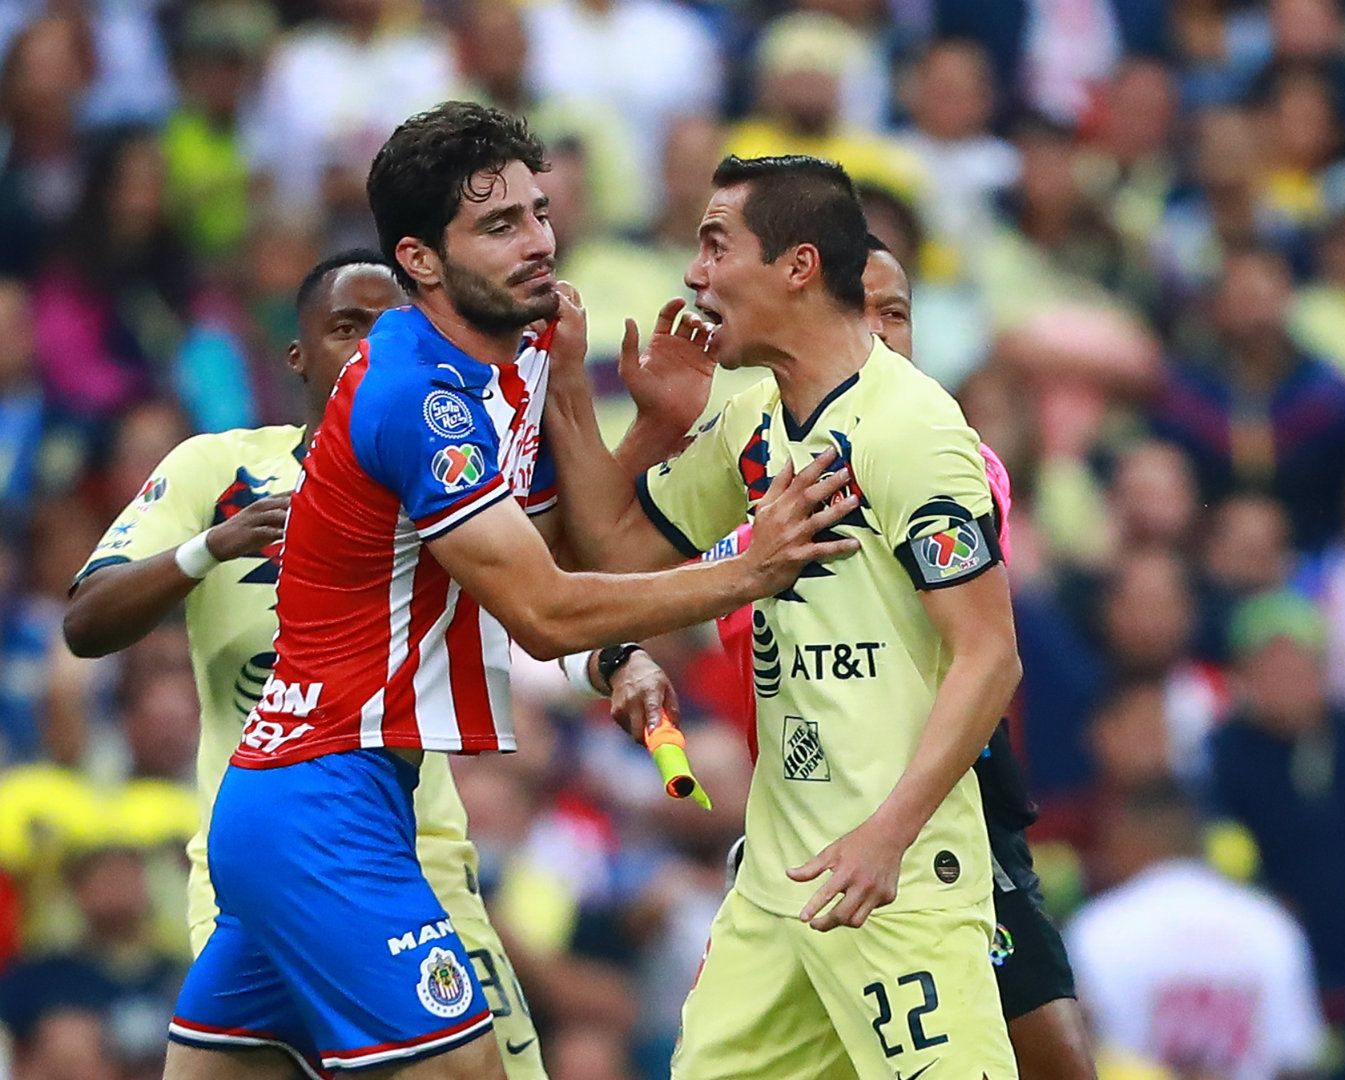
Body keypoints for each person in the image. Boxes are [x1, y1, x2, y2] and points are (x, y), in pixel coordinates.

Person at [158, 104, 855, 1080]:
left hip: (330, 797)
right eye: (499, 226)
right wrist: (754, 567)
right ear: (423, 260)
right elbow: (541, 613)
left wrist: (646, 431)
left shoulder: (520, 353)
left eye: (538, 212)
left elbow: (569, 542)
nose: (538, 243)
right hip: (321, 803)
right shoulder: (416, 395)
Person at [541, 154, 1021, 1078]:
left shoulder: (911, 429)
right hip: (775, 884)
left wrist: (887, 835)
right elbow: (603, 553)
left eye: (717, 246)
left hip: (896, 880)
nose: (696, 275)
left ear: (798, 266)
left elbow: (989, 660)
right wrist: (596, 401)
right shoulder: (753, 420)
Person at [63, 251, 549, 1079]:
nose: (367, 346)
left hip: (418, 852)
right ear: (297, 356)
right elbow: (84, 622)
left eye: (389, 327)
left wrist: (617, 659)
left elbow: (541, 596)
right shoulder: (219, 470)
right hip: (257, 859)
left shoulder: (440, 469)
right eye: (345, 326)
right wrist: (206, 548)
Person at [641, 236, 1094, 1079]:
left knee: (1058, 1061)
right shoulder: (754, 453)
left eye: (900, 315)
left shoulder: (930, 444)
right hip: (795, 833)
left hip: (941, 824)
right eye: (867, 313)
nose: (883, 335)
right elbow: (623, 567)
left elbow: (987, 650)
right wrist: (620, 652)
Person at [1066, 777, 1326, 1080]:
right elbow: (1298, 1062)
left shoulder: (1096, 930)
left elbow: (1076, 1057)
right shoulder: (1269, 924)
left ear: (1128, 840)